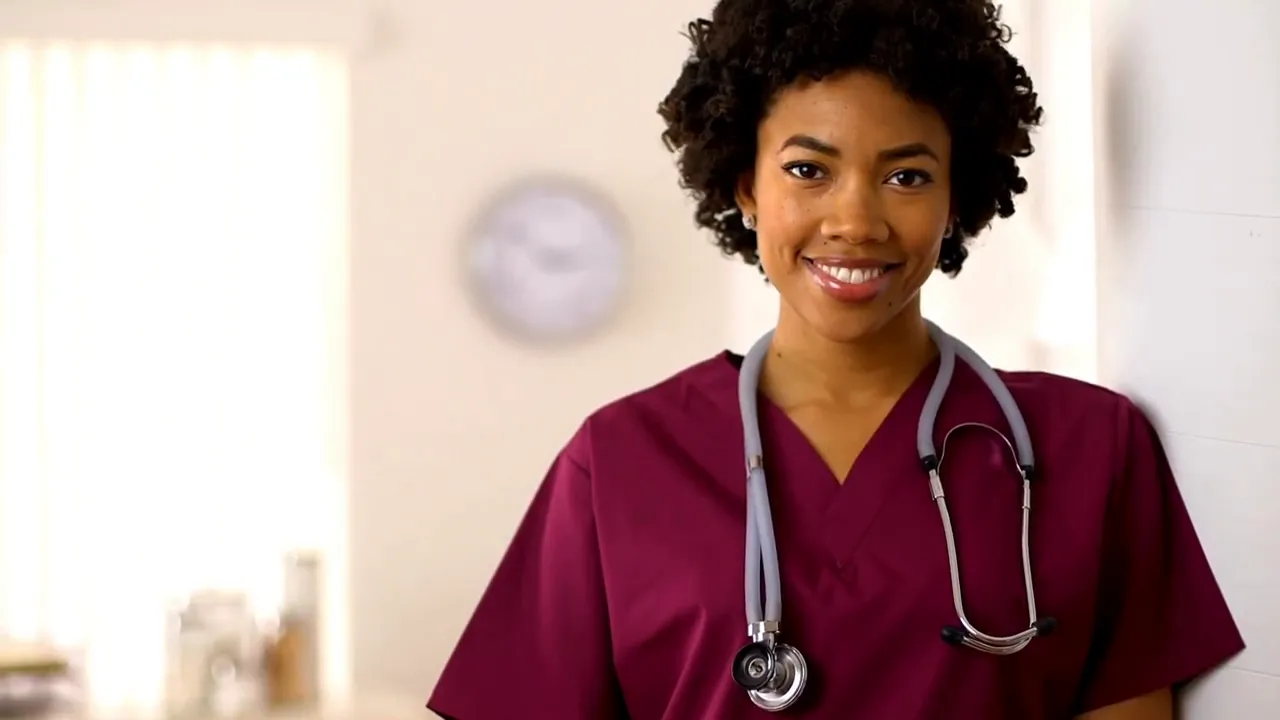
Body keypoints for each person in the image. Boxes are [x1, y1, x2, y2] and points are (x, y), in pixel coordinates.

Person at [427, 0, 1245, 717]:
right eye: (808, 170)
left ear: (957, 195)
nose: (855, 220)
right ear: (745, 185)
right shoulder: (619, 461)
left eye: (907, 175)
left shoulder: (1089, 448)